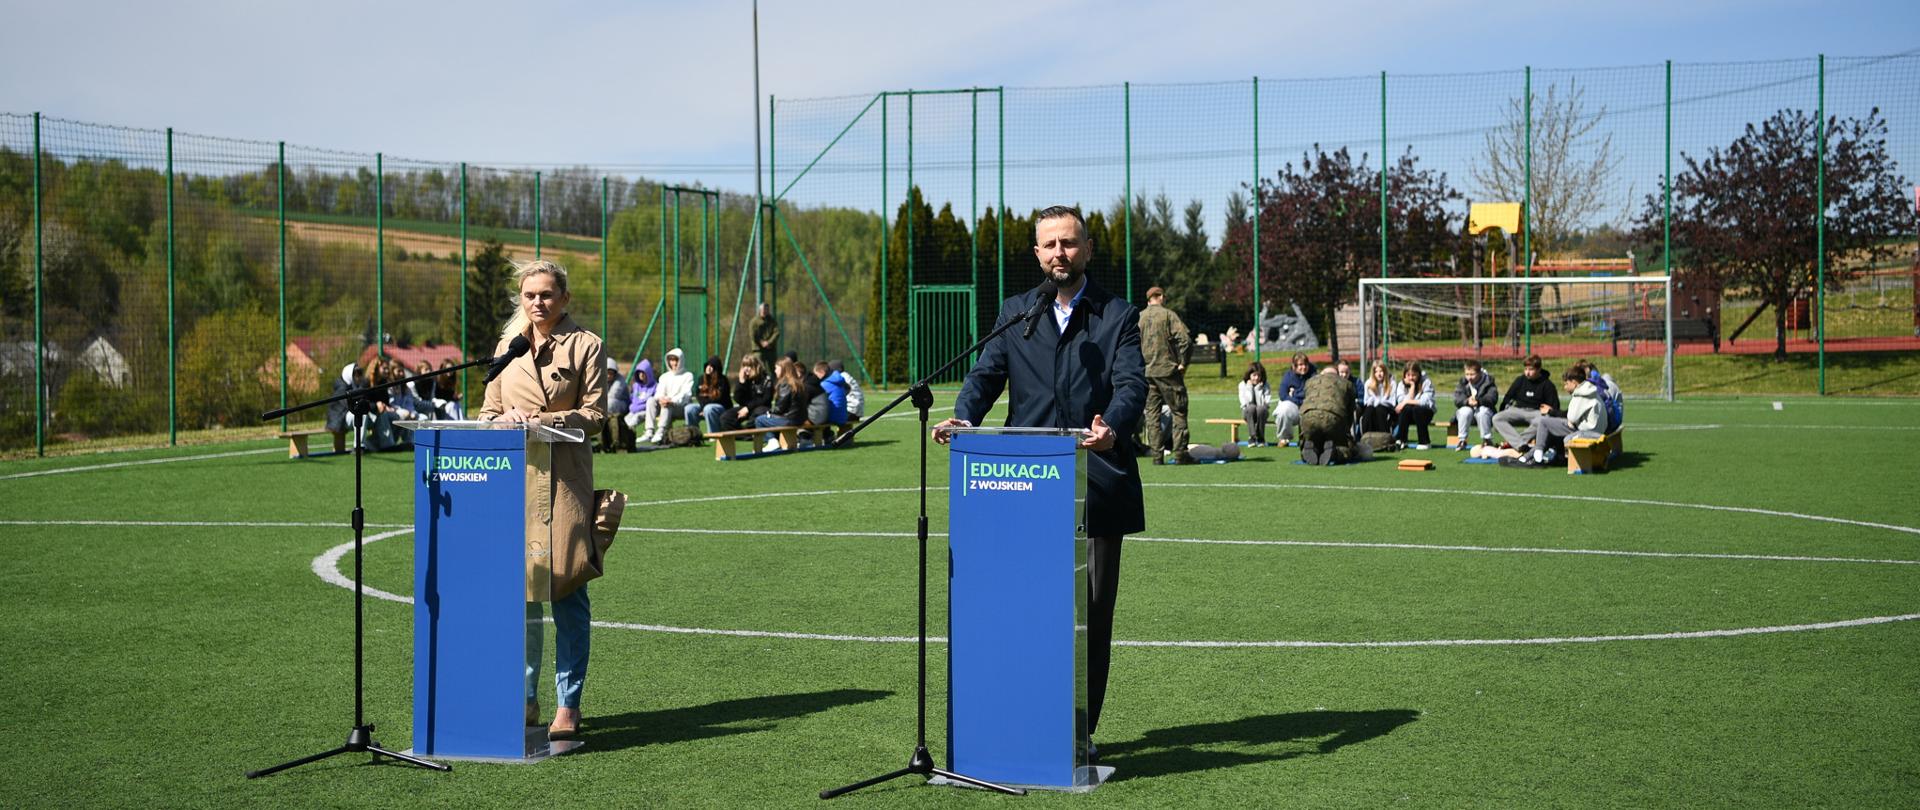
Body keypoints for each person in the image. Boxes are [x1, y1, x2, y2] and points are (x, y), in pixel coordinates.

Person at [934, 205, 1146, 749]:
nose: (1060, 253)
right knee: (1025, 610)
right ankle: (1026, 720)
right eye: (1050, 244)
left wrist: (1112, 427)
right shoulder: (1016, 313)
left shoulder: (1119, 316)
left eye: (1069, 243)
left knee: (1090, 616)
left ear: (1088, 249)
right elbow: (985, 375)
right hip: (1023, 486)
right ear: (1037, 253)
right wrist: (965, 418)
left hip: (1096, 483)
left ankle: (1078, 731)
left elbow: (1131, 386)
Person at [477, 259, 609, 740]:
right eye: (530, 295)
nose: (538, 302)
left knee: (568, 593)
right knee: (521, 597)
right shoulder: (507, 348)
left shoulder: (586, 345)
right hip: (513, 482)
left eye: (547, 294)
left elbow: (596, 415)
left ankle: (567, 704)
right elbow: (487, 412)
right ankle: (525, 698)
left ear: (564, 298)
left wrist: (546, 421)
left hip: (564, 485)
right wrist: (502, 420)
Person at [1503, 365, 1608, 468]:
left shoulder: (1580, 395)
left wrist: (1555, 414)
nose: (1565, 387)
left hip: (1585, 433)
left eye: (1566, 384)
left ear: (1574, 383)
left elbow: (1571, 418)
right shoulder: (1592, 391)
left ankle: (1535, 458)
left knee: (1544, 422)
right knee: (1550, 429)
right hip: (1594, 431)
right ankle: (1529, 457)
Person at [1137, 285, 1194, 465]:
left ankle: (1157, 456)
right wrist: (1183, 362)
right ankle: (1180, 454)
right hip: (1167, 370)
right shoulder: (1168, 315)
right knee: (1179, 411)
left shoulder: (1139, 317)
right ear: (1160, 297)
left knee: (1152, 415)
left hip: (1147, 372)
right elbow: (1185, 339)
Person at [1492, 354, 1562, 449]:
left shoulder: (1547, 384)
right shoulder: (1520, 380)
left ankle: (1516, 444)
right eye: (1526, 369)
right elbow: (1508, 397)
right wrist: (1503, 409)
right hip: (1518, 410)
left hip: (1537, 412)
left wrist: (1549, 411)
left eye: (1531, 369)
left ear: (1538, 369)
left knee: (1542, 421)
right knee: (1497, 418)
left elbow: (1554, 406)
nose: (1527, 372)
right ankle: (1520, 444)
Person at [1299, 365, 1360, 465]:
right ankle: (1335, 452)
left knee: (1313, 438)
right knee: (1347, 448)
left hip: (1308, 419)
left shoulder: (1309, 382)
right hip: (1333, 418)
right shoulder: (1347, 384)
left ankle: (1311, 448)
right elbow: (1350, 413)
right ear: (1337, 375)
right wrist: (1346, 438)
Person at [755, 354, 810, 451]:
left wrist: (770, 412)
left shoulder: (785, 383)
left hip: (789, 420)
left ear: (783, 369)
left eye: (776, 368)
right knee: (769, 419)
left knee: (759, 420)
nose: (775, 371)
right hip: (800, 419)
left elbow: (780, 407)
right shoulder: (799, 383)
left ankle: (772, 441)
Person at [643, 348, 693, 443]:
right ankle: (649, 431)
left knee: (667, 405)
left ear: (681, 360)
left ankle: (661, 431)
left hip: (680, 407)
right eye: (671, 360)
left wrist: (671, 400)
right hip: (664, 404)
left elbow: (686, 394)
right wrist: (661, 398)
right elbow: (659, 392)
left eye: (676, 360)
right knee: (651, 401)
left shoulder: (688, 375)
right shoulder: (664, 376)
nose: (673, 363)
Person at [1451, 359, 1499, 450]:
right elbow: (1457, 399)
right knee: (1465, 411)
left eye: (1472, 374)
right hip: (1469, 414)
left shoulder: (1489, 382)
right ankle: (1462, 440)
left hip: (1486, 414)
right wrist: (1467, 401)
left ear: (1479, 373)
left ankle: (1487, 440)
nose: (1469, 377)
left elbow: (1492, 398)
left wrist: (1479, 401)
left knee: (1482, 411)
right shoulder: (1462, 382)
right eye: (1467, 374)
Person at [1390, 360, 1436, 449]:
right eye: (1408, 375)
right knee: (1406, 408)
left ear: (1418, 374)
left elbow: (1425, 401)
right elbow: (1401, 400)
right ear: (1404, 375)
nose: (1411, 378)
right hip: (1409, 415)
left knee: (1417, 409)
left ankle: (1424, 442)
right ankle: (1402, 440)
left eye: (1414, 375)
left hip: (1425, 413)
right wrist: (1412, 387)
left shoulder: (1426, 382)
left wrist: (1406, 402)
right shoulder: (1401, 385)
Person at [1273, 352, 1315, 446]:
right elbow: (1283, 395)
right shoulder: (1288, 376)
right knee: (1283, 410)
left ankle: (1308, 439)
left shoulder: (1313, 374)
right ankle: (1284, 438)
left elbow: (1313, 392)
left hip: (1309, 404)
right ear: (1294, 366)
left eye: (1305, 364)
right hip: (1294, 405)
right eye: (1300, 365)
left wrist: (1295, 393)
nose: (1304, 367)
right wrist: (1298, 399)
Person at [725, 354, 773, 432]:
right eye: (744, 366)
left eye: (749, 366)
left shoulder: (766, 379)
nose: (746, 369)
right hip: (745, 408)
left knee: (758, 414)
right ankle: (743, 435)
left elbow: (765, 399)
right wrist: (741, 382)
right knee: (726, 417)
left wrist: (748, 408)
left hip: (760, 408)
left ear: (756, 366)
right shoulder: (745, 379)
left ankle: (749, 432)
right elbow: (738, 399)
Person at [690, 355, 733, 434]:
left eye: (712, 366)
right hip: (704, 406)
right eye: (707, 365)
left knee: (709, 409)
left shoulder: (723, 380)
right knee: (689, 409)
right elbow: (698, 395)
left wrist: (705, 408)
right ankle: (693, 435)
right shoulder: (701, 379)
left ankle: (713, 436)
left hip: (722, 408)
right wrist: (703, 407)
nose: (708, 368)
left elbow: (719, 399)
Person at [601, 358, 633, 453]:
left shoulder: (620, 380)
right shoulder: (601, 379)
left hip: (622, 404)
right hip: (607, 404)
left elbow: (613, 395)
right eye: (607, 373)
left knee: (610, 402)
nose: (609, 375)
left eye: (611, 373)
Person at [1237, 361, 1273, 447]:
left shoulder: (1265, 385)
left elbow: (1264, 404)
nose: (1256, 378)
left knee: (1260, 409)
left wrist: (1258, 390)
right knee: (1251, 408)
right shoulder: (1242, 385)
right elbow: (1246, 403)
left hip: (1262, 413)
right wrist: (1249, 388)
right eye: (1254, 375)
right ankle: (1252, 437)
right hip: (1248, 413)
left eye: (1259, 375)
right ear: (1249, 375)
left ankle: (1260, 437)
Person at [1359, 360, 1396, 435]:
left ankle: (1384, 436)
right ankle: (1367, 436)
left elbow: (1392, 402)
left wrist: (1379, 402)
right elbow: (1366, 401)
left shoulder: (1392, 383)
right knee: (1369, 410)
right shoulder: (1368, 383)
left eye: (1381, 371)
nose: (1379, 374)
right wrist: (1373, 401)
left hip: (1386, 407)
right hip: (1373, 406)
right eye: (1376, 372)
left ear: (1385, 372)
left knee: (1380, 409)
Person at [623, 358, 657, 441]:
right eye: (639, 373)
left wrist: (638, 407)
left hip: (644, 411)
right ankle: (623, 436)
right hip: (633, 411)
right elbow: (633, 399)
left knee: (634, 419)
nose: (641, 375)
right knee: (624, 421)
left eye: (643, 373)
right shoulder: (636, 386)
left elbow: (652, 402)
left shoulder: (655, 386)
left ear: (648, 373)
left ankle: (629, 436)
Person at [750, 302, 781, 371]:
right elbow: (753, 335)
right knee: (760, 368)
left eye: (767, 310)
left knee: (775, 369)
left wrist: (769, 342)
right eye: (764, 310)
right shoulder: (754, 322)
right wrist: (762, 342)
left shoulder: (772, 321)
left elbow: (777, 332)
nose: (765, 312)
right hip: (758, 349)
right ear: (760, 310)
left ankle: (774, 378)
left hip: (770, 348)